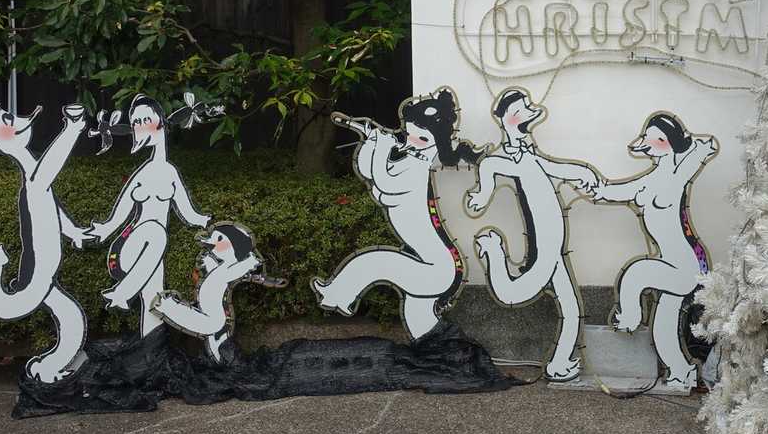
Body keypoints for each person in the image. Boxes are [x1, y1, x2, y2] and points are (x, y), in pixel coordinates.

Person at [313, 88, 479, 339]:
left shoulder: (418, 168)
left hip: (439, 269)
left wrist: (382, 145)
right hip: (429, 264)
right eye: (409, 134)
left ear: (437, 141)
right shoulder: (409, 160)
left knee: (373, 262)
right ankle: (436, 346)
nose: (411, 141)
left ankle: (337, 296)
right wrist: (372, 142)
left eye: (420, 138)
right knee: (418, 315)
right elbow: (368, 172)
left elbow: (384, 182)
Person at [466, 88, 599, 382]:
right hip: (547, 249)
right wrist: (483, 192)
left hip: (555, 249)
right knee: (513, 293)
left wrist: (582, 173)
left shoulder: (529, 154)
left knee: (572, 308)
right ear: (507, 119)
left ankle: (560, 363)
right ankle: (494, 251)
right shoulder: (509, 159)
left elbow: (552, 166)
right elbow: (491, 165)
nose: (529, 109)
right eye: (521, 108)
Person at [589, 112, 719, 391]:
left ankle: (630, 317)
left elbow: (707, 145)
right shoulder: (649, 181)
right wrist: (594, 187)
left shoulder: (680, 172)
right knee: (663, 328)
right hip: (670, 263)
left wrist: (689, 144)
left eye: (659, 139)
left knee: (636, 273)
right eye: (649, 138)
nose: (652, 143)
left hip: (688, 264)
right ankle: (681, 373)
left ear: (671, 142)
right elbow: (614, 191)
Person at [0, 102, 92, 383]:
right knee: (70, 318)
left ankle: (51, 369)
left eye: (10, 117)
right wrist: (72, 128)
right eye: (4, 123)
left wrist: (73, 231)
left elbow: (51, 205)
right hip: (37, 275)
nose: (14, 122)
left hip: (43, 274)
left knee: (72, 319)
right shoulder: (34, 179)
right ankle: (49, 370)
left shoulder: (35, 177)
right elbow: (45, 177)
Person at [86, 95, 211, 336]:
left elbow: (188, 213)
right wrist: (101, 230)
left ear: (161, 122)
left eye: (145, 120)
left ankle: (151, 345)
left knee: (153, 298)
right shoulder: (141, 175)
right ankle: (122, 293)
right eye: (136, 122)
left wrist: (205, 221)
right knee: (155, 230)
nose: (140, 126)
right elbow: (118, 215)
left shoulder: (170, 172)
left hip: (152, 254)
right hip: (126, 250)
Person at [152, 223, 283, 361]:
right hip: (209, 310)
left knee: (213, 329)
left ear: (236, 244)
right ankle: (167, 306)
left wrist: (256, 270)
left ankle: (167, 306)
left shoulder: (237, 267)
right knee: (215, 336)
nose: (214, 244)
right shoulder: (220, 265)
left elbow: (245, 274)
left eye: (219, 239)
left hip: (217, 315)